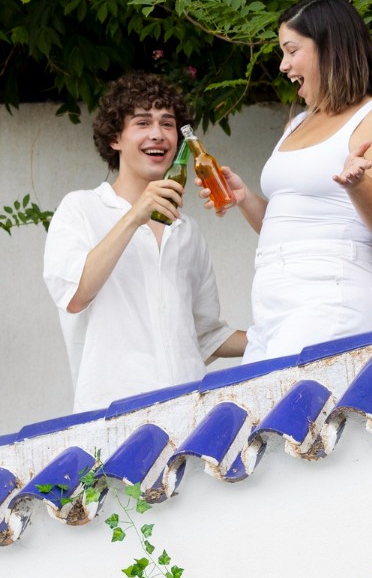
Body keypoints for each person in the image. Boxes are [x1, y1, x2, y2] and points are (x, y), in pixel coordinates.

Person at [215, 0, 372, 364]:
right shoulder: (298, 123)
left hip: (330, 299)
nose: (283, 65)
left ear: (330, 47)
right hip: (271, 305)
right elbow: (297, 229)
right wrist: (246, 198)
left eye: (292, 50)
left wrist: (360, 185)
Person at [43, 73, 246, 412]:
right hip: (111, 416)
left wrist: (284, 336)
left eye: (168, 124)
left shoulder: (187, 230)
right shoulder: (81, 208)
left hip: (190, 413)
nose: (158, 133)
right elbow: (75, 294)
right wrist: (135, 216)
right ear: (115, 139)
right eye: (142, 122)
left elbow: (207, 336)